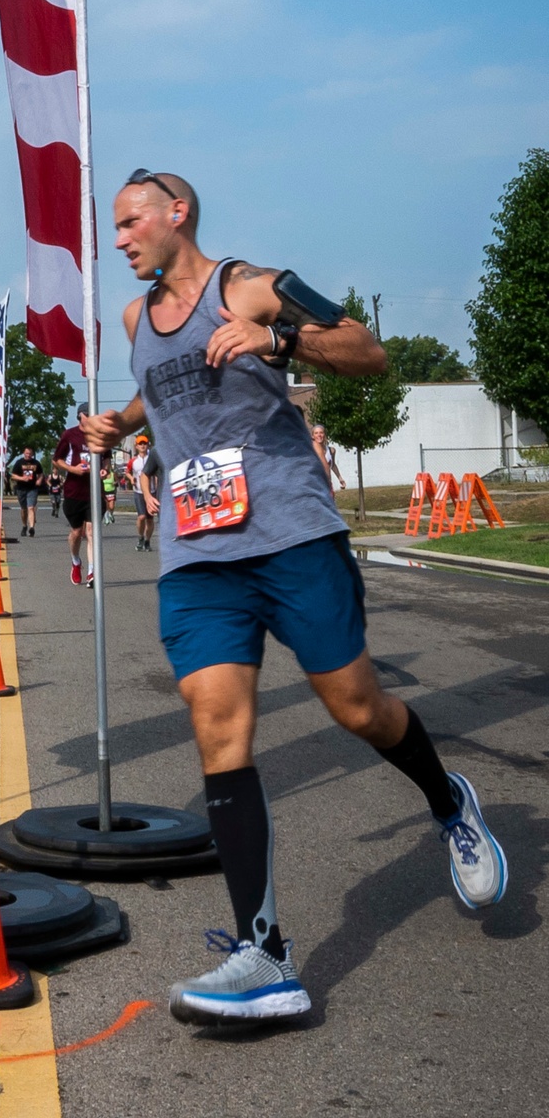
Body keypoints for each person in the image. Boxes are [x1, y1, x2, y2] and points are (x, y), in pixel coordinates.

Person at [83, 168, 508, 1029]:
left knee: (357, 708)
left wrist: (275, 342)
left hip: (291, 536)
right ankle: (265, 956)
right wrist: (121, 425)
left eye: (130, 221)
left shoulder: (258, 285)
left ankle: (448, 801)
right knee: (215, 722)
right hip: (199, 556)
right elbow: (163, 381)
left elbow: (367, 350)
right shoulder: (134, 320)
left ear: (178, 213)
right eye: (115, 227)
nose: (119, 237)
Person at [54, 405, 100, 587]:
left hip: (94, 491)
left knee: (91, 531)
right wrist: (72, 469)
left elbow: (106, 460)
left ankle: (92, 572)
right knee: (76, 532)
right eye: (87, 415)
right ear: (79, 416)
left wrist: (103, 470)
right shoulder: (70, 435)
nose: (90, 418)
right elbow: (56, 459)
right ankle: (75, 561)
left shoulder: (99, 434)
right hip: (74, 491)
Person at [131, 433, 159, 552]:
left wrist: (157, 489)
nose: (142, 446)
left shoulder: (152, 458)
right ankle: (141, 537)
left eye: (144, 443)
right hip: (138, 492)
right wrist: (131, 478)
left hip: (152, 491)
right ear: (136, 446)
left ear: (148, 445)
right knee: (141, 517)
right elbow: (127, 471)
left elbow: (157, 473)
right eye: (140, 444)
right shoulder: (133, 461)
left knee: (150, 519)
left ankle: (147, 541)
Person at [11, 446, 43, 538]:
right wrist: (22, 478)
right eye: (26, 453)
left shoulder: (36, 463)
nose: (28, 455)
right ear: (24, 453)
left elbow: (41, 474)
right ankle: (24, 526)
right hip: (21, 488)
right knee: (24, 509)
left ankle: (32, 528)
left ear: (32, 454)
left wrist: (39, 480)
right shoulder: (19, 463)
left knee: (31, 508)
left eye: (30, 454)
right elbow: (13, 476)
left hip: (32, 488)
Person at [311, 422, 346, 497]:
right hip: (315, 486)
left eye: (321, 433)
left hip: (327, 486)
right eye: (316, 433)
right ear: (312, 436)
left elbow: (332, 466)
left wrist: (340, 478)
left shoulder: (331, 450)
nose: (319, 435)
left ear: (324, 435)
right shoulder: (310, 451)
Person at [102, 457, 117, 523]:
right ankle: (106, 517)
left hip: (111, 491)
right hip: (104, 492)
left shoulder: (113, 474)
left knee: (111, 506)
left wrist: (115, 483)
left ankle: (111, 514)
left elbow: (117, 481)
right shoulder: (101, 473)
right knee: (106, 505)